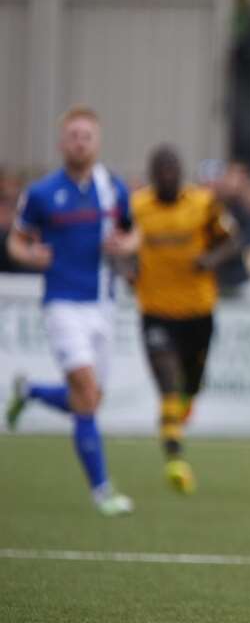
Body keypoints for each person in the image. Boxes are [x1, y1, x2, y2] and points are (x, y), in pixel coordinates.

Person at [4, 106, 137, 516]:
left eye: (87, 136)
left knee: (90, 399)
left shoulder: (112, 188)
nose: (80, 142)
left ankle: (30, 391)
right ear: (63, 142)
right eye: (73, 135)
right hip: (62, 303)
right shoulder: (43, 193)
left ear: (97, 142)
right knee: (84, 386)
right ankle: (103, 491)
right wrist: (31, 256)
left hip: (104, 304)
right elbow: (17, 240)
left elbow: (134, 233)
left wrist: (126, 247)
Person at [130, 145, 239, 493]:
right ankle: (175, 457)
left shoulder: (203, 205)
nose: (166, 174)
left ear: (181, 173)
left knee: (191, 386)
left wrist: (211, 259)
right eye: (160, 169)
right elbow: (116, 244)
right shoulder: (137, 208)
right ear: (151, 174)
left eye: (172, 168)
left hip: (198, 311)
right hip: (156, 311)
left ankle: (179, 413)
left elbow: (232, 242)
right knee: (168, 381)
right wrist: (124, 268)